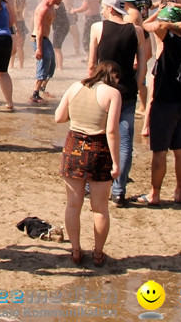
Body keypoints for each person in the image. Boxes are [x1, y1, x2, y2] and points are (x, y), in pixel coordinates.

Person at [54, 60, 122, 267]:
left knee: (73, 205)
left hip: (73, 145)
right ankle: (99, 253)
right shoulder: (112, 94)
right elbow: (111, 131)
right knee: (100, 208)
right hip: (98, 149)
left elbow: (59, 117)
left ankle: (75, 250)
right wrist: (117, 162)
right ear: (113, 76)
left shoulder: (75, 86)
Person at [87, 0, 146, 208]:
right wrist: (135, 89)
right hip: (126, 92)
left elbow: (92, 64)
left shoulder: (97, 28)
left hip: (103, 91)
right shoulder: (137, 31)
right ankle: (119, 191)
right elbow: (142, 66)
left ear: (110, 9)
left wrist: (90, 88)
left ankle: (91, 184)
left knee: (98, 137)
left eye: (103, 7)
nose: (102, 10)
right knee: (125, 142)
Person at [140, 1, 181, 206]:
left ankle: (154, 194)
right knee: (180, 149)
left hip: (164, 100)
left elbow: (148, 25)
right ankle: (179, 193)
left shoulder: (172, 38)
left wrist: (170, 24)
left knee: (160, 151)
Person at [32, 0, 64, 102]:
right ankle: (34, 94)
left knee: (52, 65)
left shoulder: (50, 6)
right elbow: (39, 29)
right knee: (44, 63)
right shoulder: (43, 9)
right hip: (39, 39)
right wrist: (39, 49)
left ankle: (42, 88)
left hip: (45, 39)